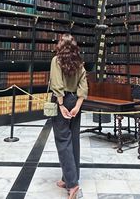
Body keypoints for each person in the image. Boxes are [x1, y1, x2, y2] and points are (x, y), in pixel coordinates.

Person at [50, 33, 88, 199]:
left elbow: (56, 83)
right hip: (74, 100)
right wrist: (77, 106)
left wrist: (61, 104)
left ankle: (72, 184)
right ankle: (68, 178)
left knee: (62, 140)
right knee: (74, 139)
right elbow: (83, 84)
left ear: (61, 45)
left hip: (62, 100)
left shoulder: (56, 60)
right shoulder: (79, 62)